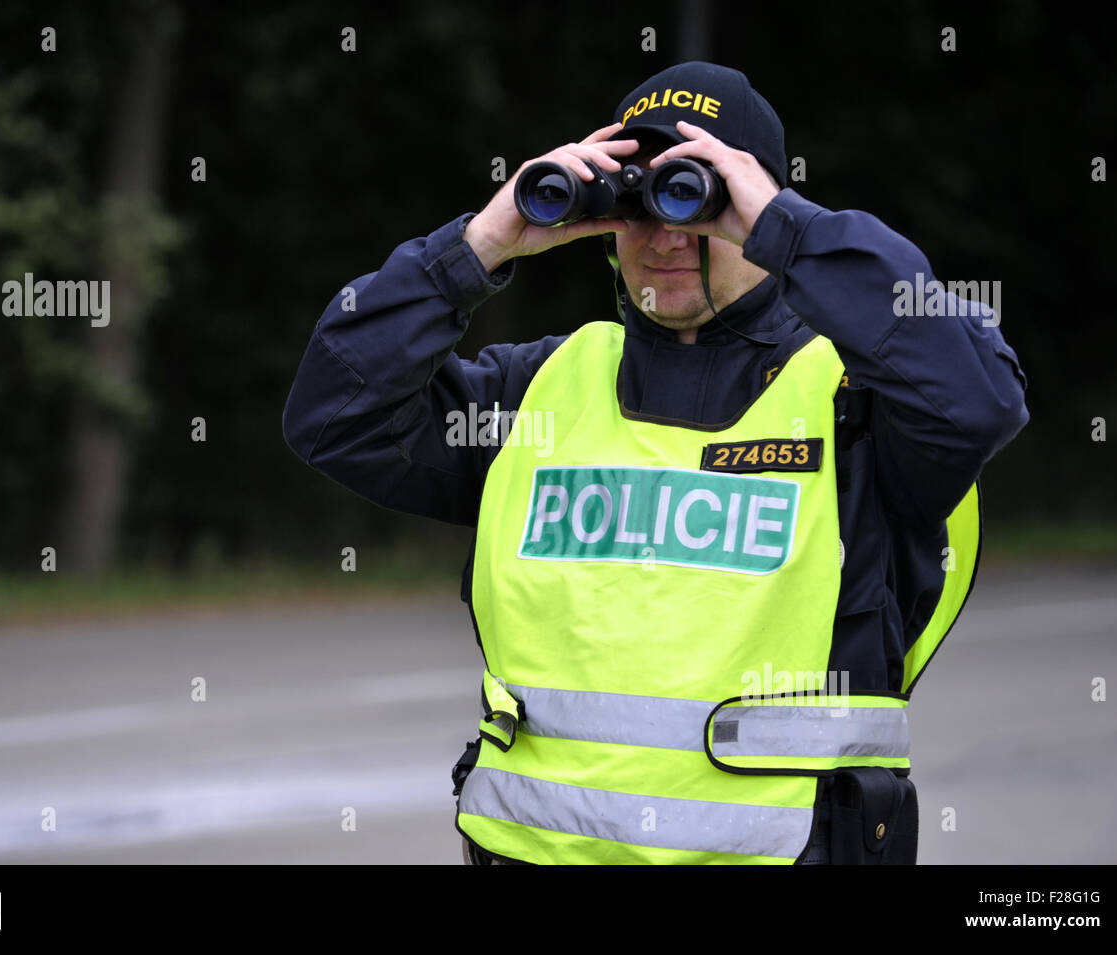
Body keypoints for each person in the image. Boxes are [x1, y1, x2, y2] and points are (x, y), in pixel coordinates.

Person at [282, 61, 1029, 865]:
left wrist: (795, 232)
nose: (666, 233)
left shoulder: (858, 404)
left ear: (758, 203)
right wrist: (477, 248)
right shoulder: (538, 394)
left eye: (697, 196)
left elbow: (979, 398)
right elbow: (335, 414)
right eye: (636, 200)